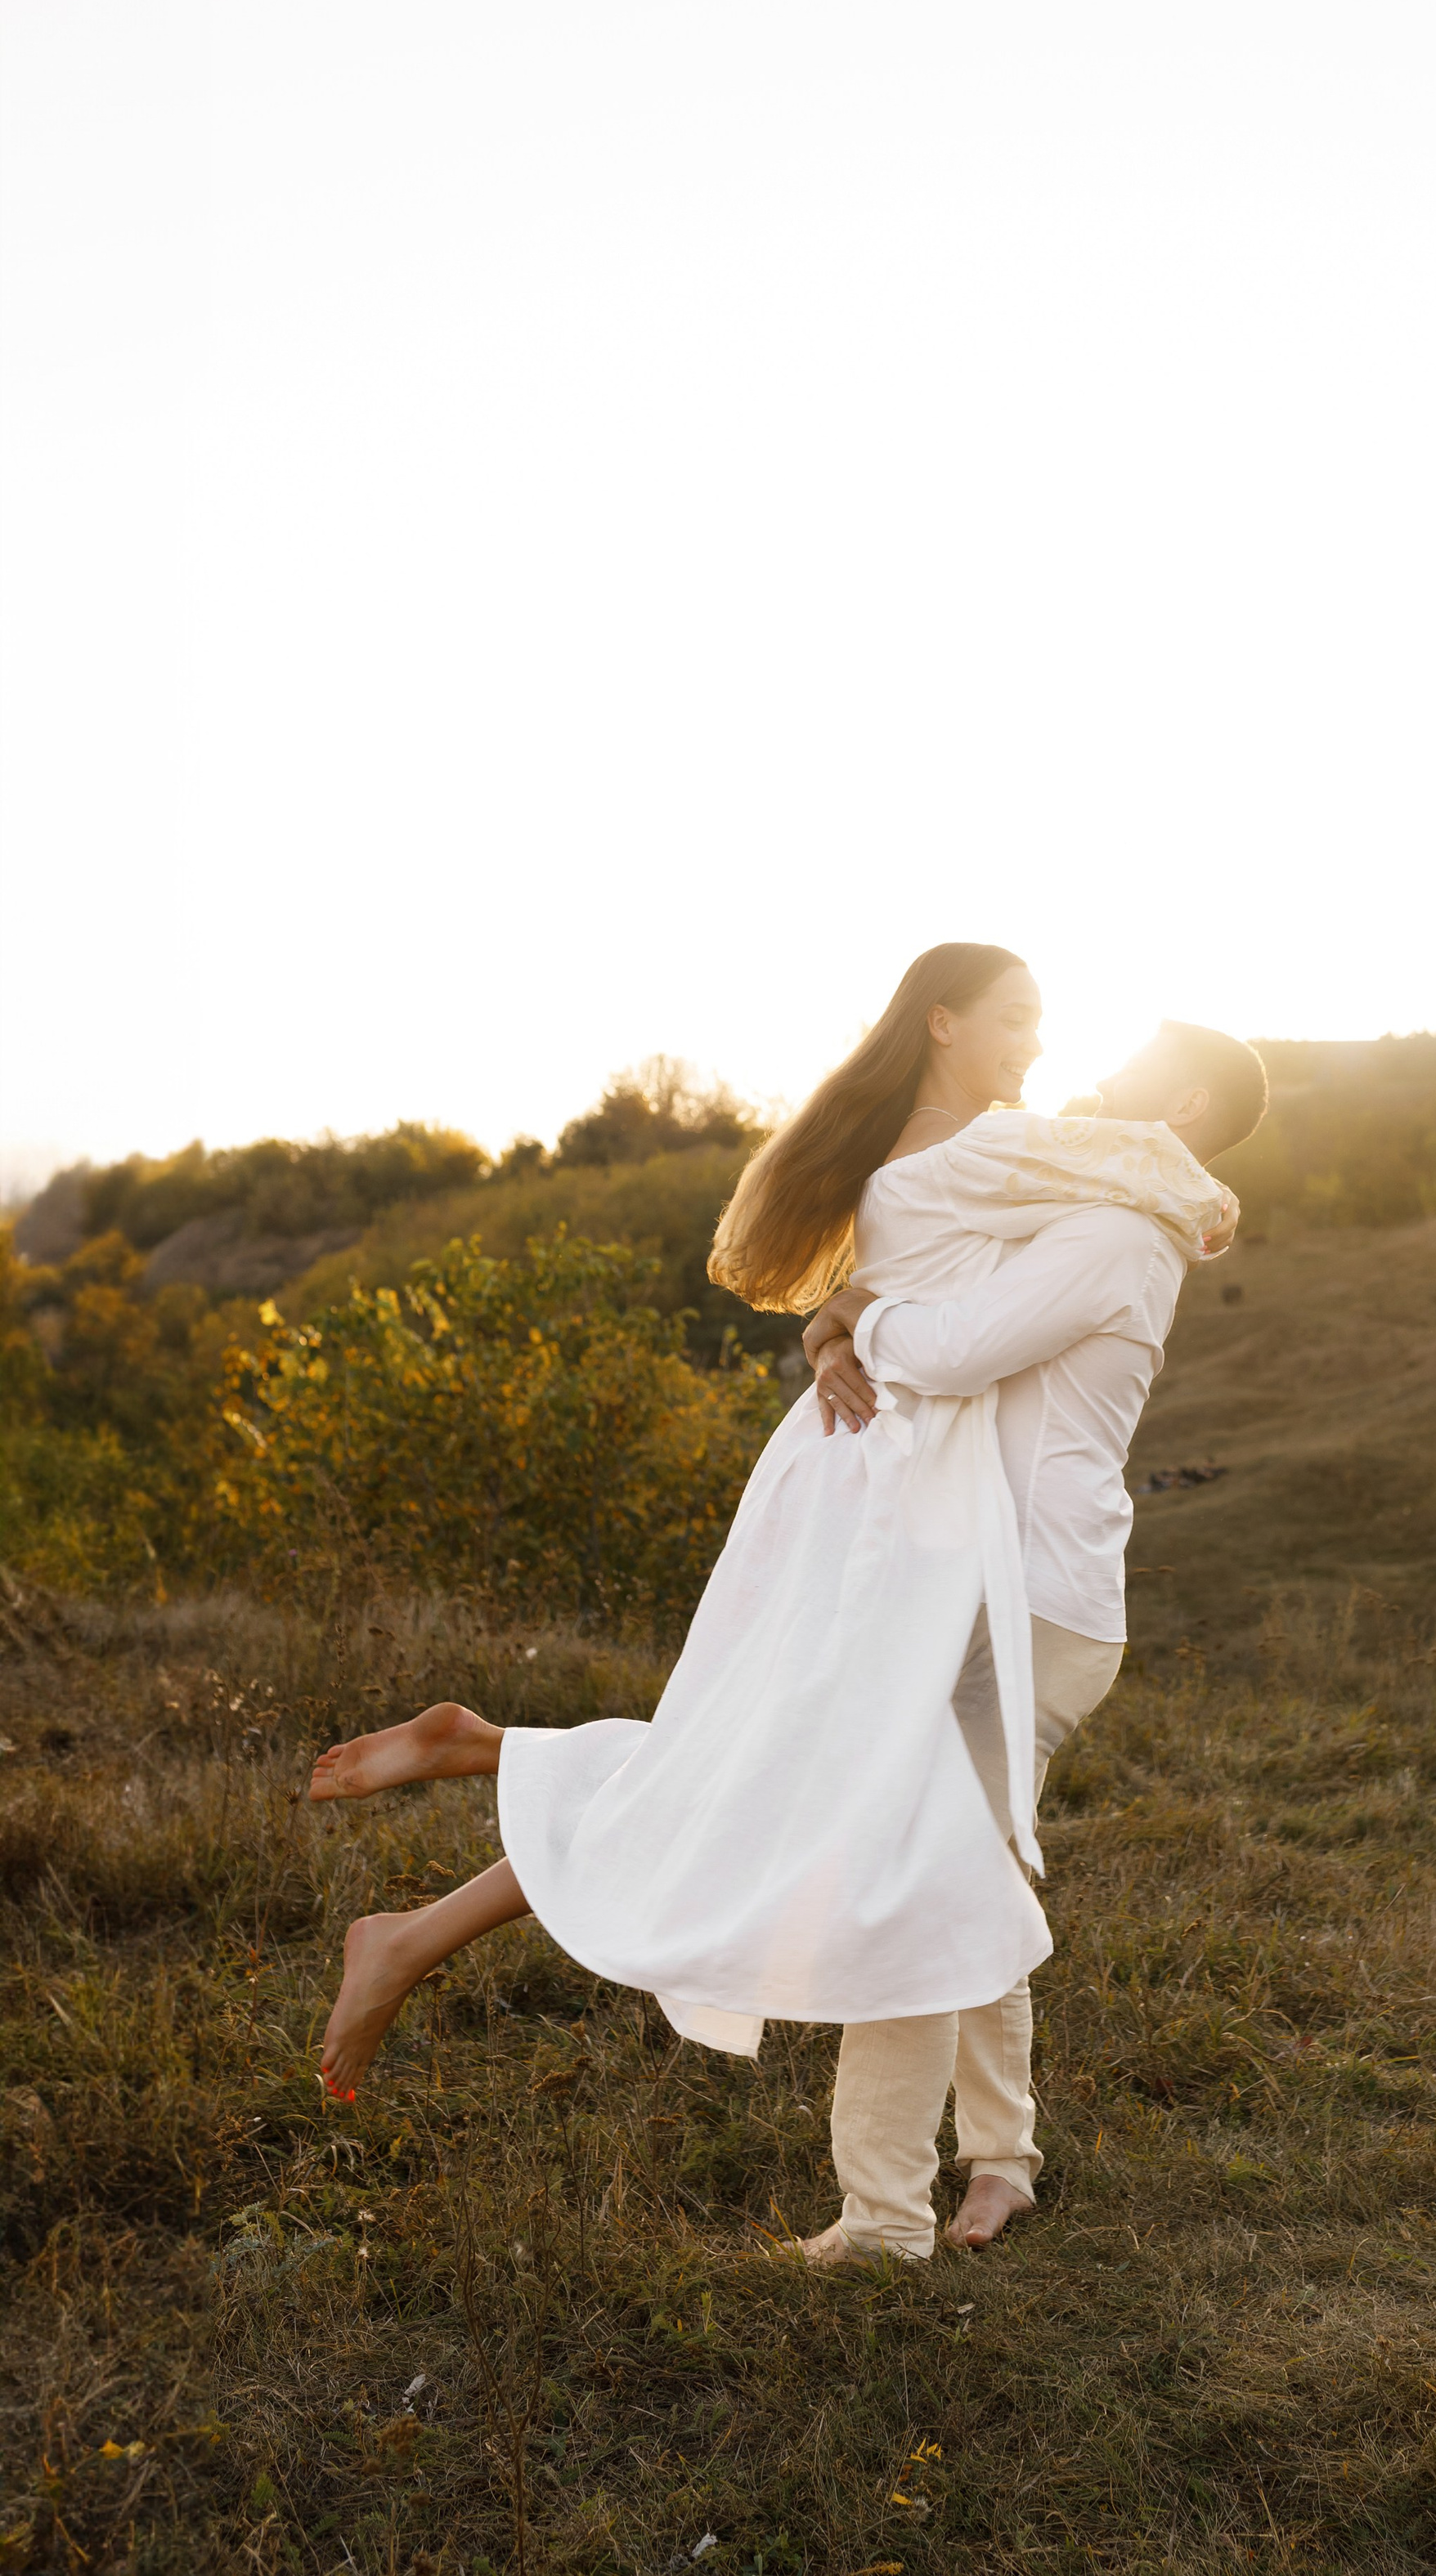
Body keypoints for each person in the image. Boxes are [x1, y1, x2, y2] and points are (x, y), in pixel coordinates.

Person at [307, 948, 1240, 2139]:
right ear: (943, 1022)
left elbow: (932, 1266)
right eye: (1019, 1019)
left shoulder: (922, 1156)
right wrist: (1209, 1201)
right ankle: (433, 1884)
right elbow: (1148, 1174)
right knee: (778, 1778)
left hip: (843, 1462)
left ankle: (462, 1818)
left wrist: (842, 1313)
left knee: (759, 1760)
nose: (1043, 1048)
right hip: (901, 1484)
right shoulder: (997, 1154)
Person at [793, 1019, 1269, 2260]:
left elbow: (954, 1348)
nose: (1107, 1065)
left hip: (1037, 1604)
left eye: (1146, 1054)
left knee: (918, 1882)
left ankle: (881, 2217)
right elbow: (943, 1261)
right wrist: (853, 1299)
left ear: (1196, 1094)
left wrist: (860, 1331)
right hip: (1002, 1590)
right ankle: (1000, 2161)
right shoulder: (1093, 1208)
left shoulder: (1118, 1234)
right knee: (973, 1873)